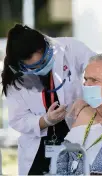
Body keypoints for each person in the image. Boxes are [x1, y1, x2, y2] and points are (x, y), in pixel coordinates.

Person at [1, 24, 96, 175]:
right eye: (32, 67)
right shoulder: (15, 76)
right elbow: (18, 119)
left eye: (43, 62)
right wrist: (45, 121)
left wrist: (88, 99)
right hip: (38, 150)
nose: (40, 68)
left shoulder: (70, 49)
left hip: (75, 137)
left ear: (46, 46)